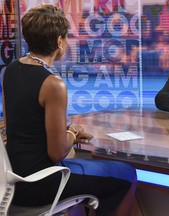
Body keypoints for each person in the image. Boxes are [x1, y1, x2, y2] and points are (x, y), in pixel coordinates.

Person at [2, 4, 136, 216]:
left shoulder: (11, 70)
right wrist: (72, 133)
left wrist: (64, 130)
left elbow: (19, 124)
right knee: (126, 174)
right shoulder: (53, 84)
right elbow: (56, 153)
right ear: (59, 42)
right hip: (41, 183)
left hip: (12, 179)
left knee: (81, 163)